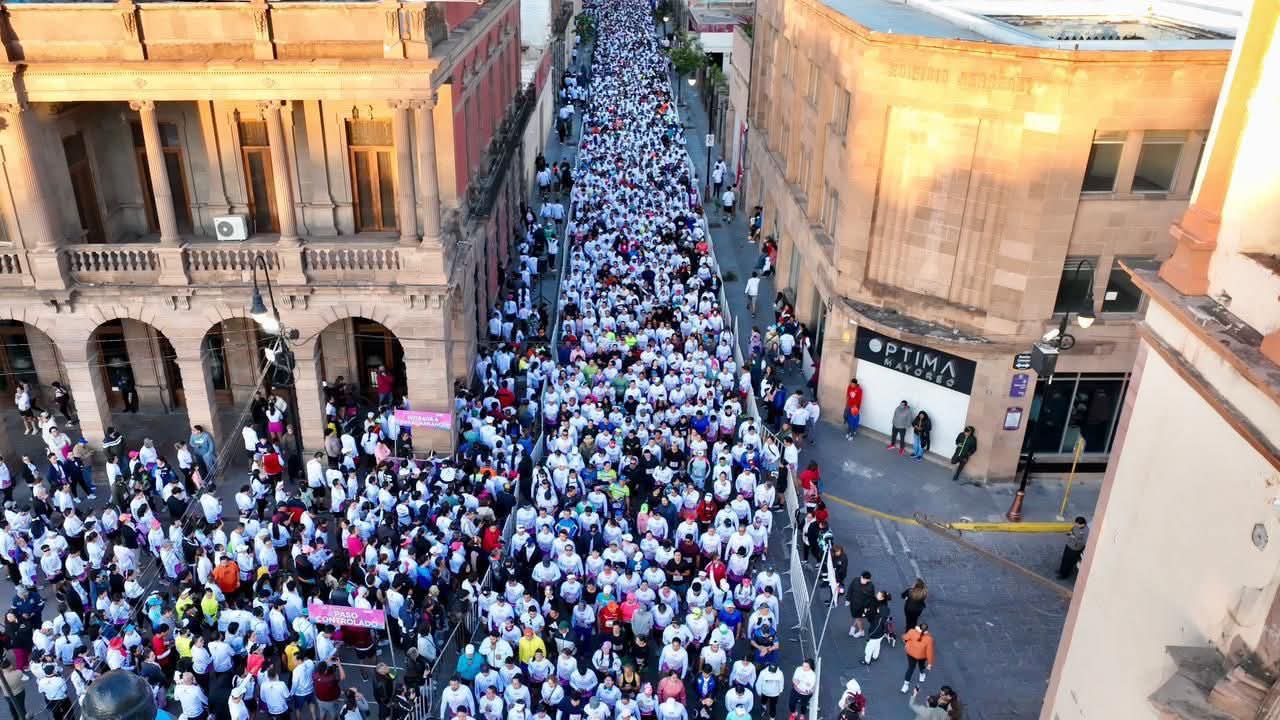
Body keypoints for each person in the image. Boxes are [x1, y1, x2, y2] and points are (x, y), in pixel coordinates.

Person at [901, 623, 935, 694]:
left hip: (911, 654)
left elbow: (904, 637)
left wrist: (905, 640)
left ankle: (905, 685)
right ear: (926, 630)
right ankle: (922, 674)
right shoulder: (929, 639)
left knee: (910, 668)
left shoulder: (912, 632)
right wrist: (930, 663)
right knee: (921, 666)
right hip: (922, 656)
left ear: (918, 627)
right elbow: (929, 652)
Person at [847, 571, 875, 638]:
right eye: (863, 579)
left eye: (866, 580)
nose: (864, 581)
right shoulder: (855, 580)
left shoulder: (870, 586)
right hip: (854, 604)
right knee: (857, 617)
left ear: (869, 580)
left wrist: (868, 606)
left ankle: (861, 631)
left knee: (858, 618)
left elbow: (871, 597)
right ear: (861, 577)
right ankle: (854, 627)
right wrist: (848, 599)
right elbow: (850, 589)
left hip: (863, 606)